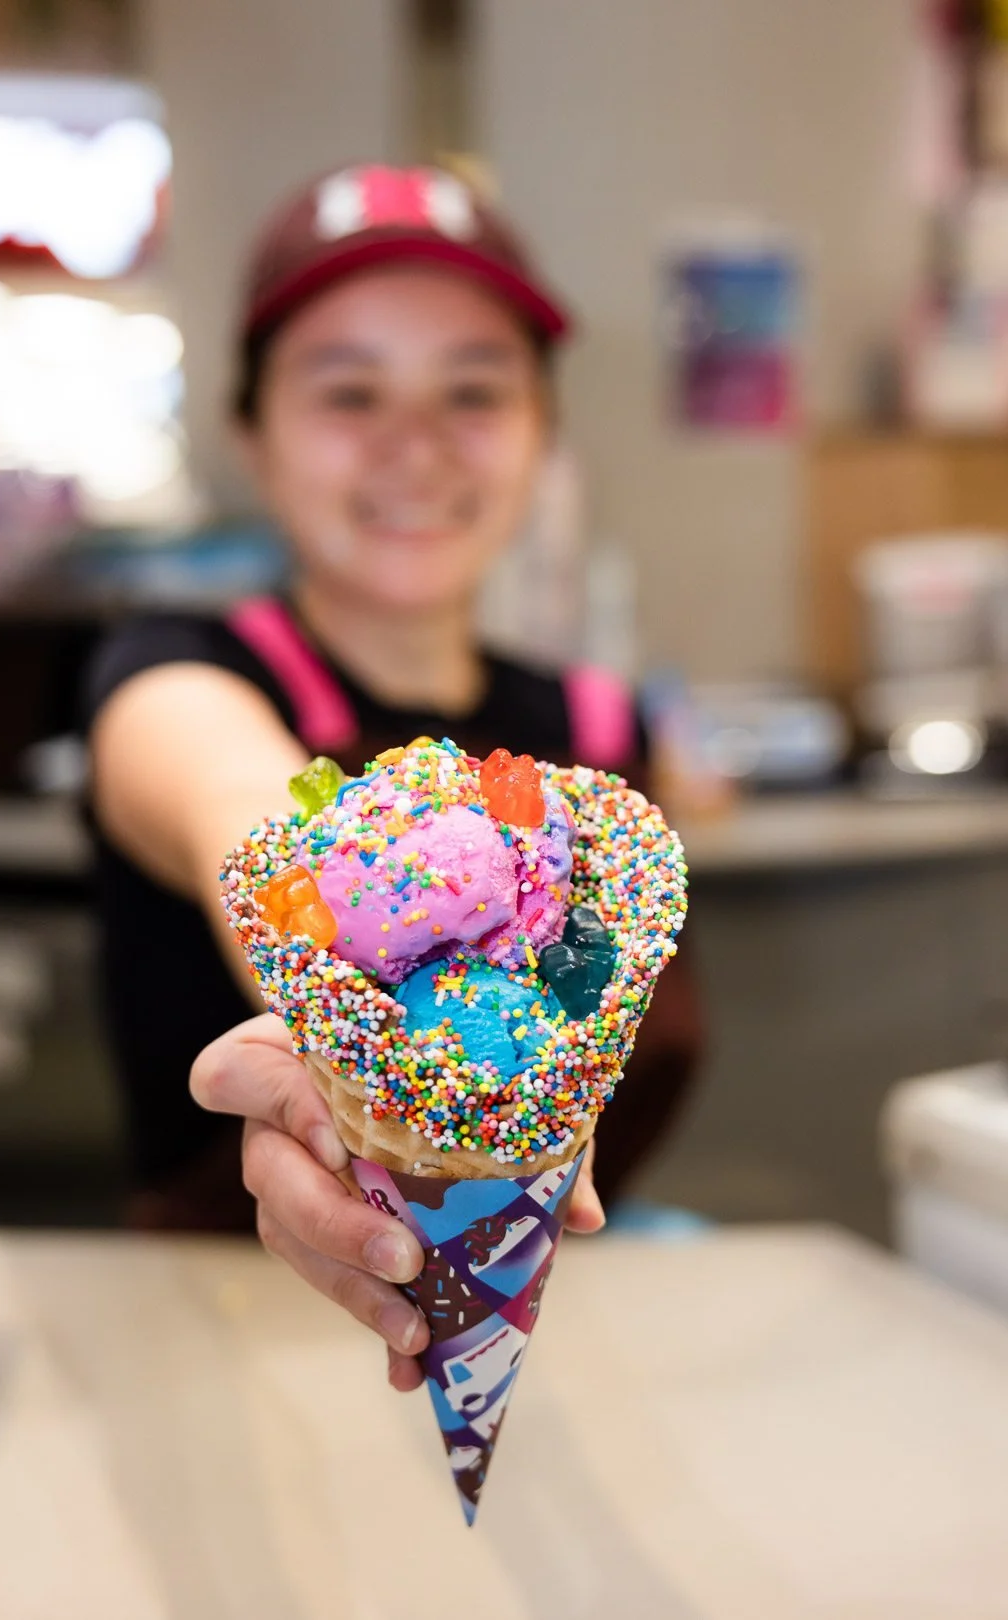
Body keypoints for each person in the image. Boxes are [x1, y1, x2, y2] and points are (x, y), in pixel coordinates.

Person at [84, 164, 701, 1392]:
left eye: (473, 390)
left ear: (543, 432)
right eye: (349, 391)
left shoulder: (591, 727)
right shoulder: (178, 678)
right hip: (222, 1355)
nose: (413, 446)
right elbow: (244, 815)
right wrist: (347, 1060)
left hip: (563, 1364)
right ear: (250, 435)